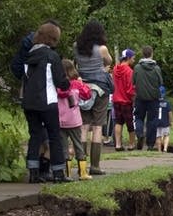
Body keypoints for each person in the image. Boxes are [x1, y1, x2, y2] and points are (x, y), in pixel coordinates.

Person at [22, 22, 71, 183]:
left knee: (34, 136)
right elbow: (60, 81)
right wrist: (68, 83)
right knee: (54, 136)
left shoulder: (28, 56)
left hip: (29, 102)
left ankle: (33, 172)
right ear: (54, 38)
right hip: (47, 101)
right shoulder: (52, 56)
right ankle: (58, 173)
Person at [74, 20, 113, 175]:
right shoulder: (102, 49)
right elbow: (109, 61)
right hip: (100, 89)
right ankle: (95, 166)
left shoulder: (76, 46)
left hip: (83, 88)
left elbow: (76, 64)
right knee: (97, 127)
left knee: (83, 126)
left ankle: (81, 165)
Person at [57, 59, 92, 180]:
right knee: (78, 145)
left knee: (64, 147)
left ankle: (67, 173)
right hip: (74, 120)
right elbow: (87, 95)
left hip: (60, 120)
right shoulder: (76, 84)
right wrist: (82, 84)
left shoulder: (57, 85)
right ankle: (83, 172)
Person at [132, 45, 164, 150]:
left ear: (142, 54)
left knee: (138, 117)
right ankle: (150, 144)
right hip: (153, 98)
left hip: (140, 97)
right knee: (152, 120)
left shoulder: (137, 67)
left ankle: (140, 134)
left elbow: (133, 81)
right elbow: (160, 83)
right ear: (151, 54)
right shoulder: (156, 68)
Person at [111, 48, 136, 151]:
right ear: (128, 58)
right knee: (130, 123)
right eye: (133, 58)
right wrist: (133, 98)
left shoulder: (115, 69)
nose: (134, 60)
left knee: (118, 122)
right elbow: (130, 88)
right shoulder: (129, 71)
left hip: (116, 99)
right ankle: (131, 144)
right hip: (126, 101)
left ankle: (118, 144)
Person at [156, 88, 173, 152]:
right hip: (165, 122)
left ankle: (159, 150)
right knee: (166, 135)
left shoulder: (154, 103)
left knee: (158, 136)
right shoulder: (167, 103)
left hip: (157, 123)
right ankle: (165, 149)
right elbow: (170, 113)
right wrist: (171, 121)